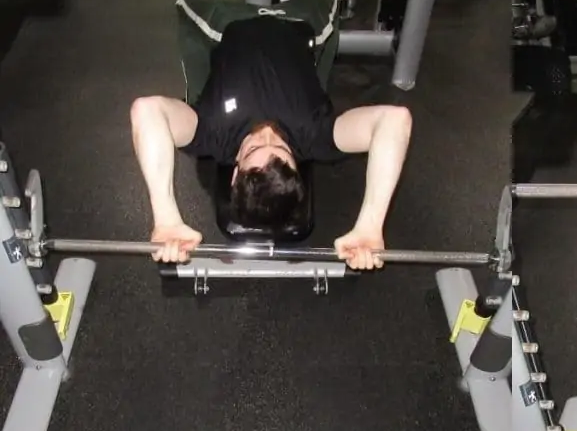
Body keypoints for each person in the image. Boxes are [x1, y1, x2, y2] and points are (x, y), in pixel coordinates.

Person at [130, 14, 411, 271]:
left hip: (228, 23)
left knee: (189, 4)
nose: (267, 134)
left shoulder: (210, 136)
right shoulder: (317, 137)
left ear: (234, 173)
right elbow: (394, 120)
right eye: (281, 148)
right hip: (299, 19)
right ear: (298, 164)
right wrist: (371, 225)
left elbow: (147, 110)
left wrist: (165, 219)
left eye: (252, 148)